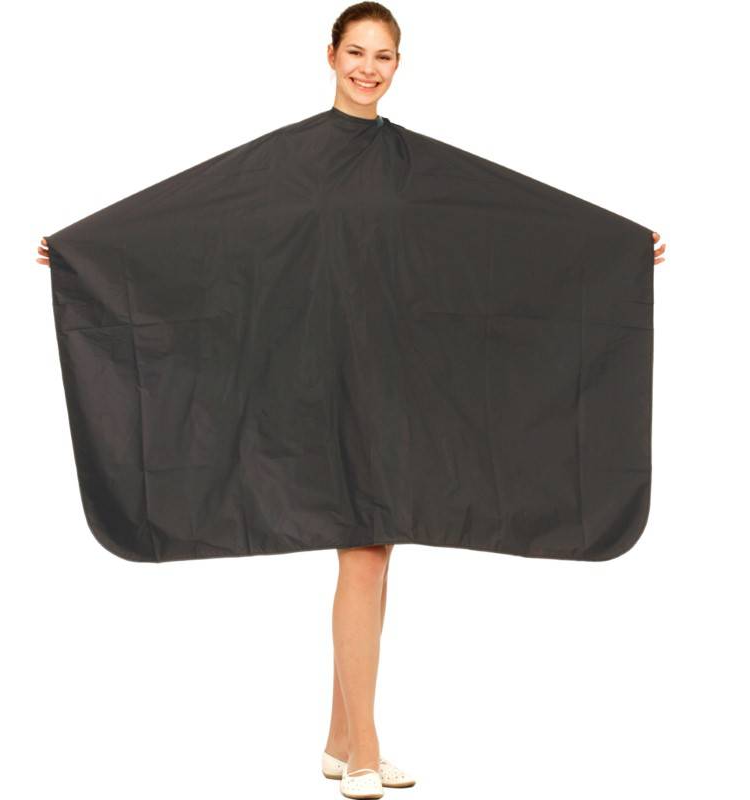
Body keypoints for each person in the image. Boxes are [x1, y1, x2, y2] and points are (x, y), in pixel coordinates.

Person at [36, 3, 667, 797]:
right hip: (313, 390)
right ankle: (365, 748)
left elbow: (505, 217)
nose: (370, 68)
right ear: (331, 55)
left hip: (390, 388)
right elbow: (197, 215)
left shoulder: (417, 167)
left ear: (399, 65)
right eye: (358, 52)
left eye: (385, 56)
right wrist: (85, 251)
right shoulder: (285, 162)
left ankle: (340, 741)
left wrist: (616, 248)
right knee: (363, 550)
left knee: (376, 548)